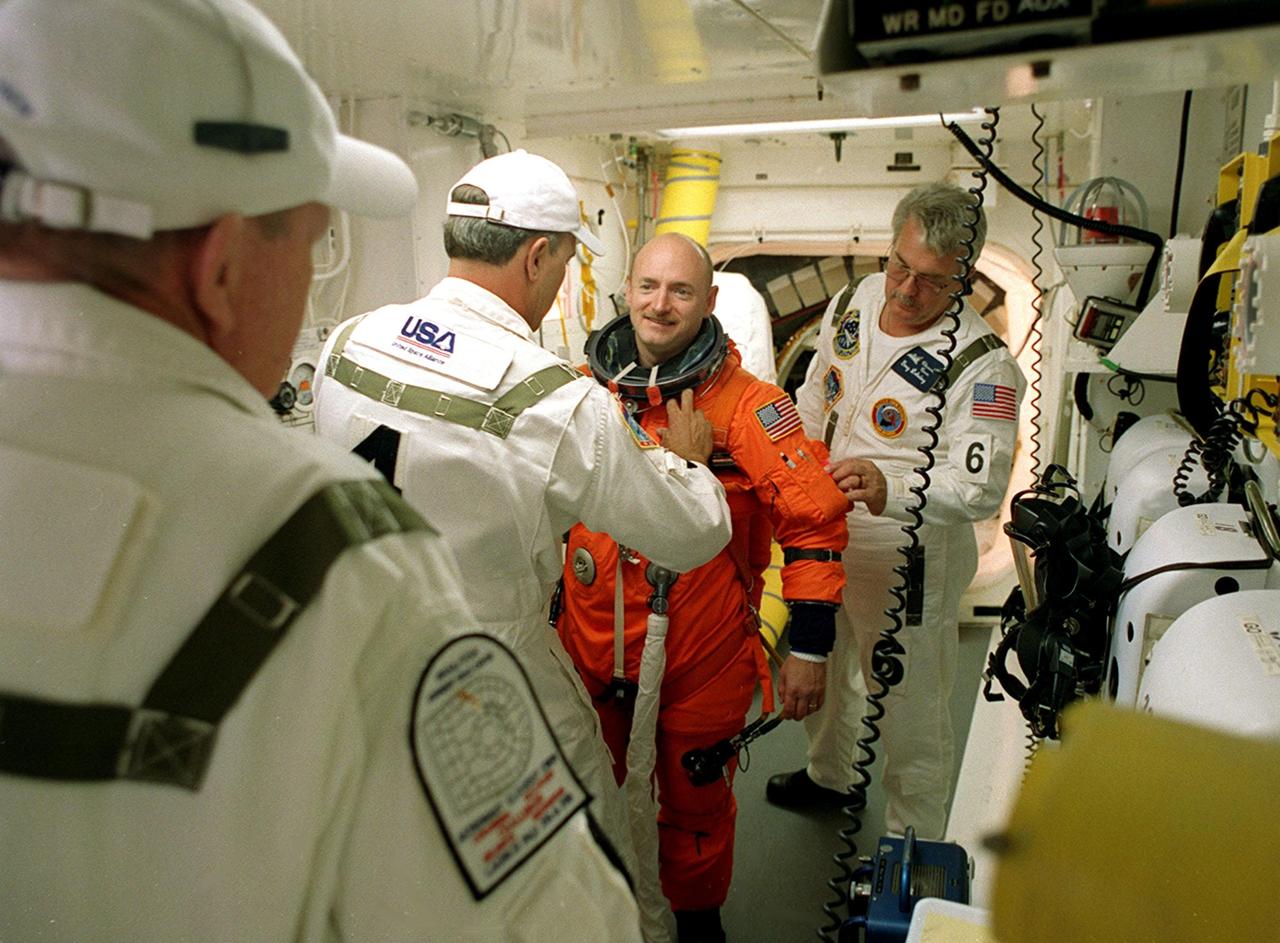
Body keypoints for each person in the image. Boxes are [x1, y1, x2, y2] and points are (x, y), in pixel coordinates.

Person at [0, 1, 645, 940]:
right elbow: (559, 925)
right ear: (220, 266)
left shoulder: (352, 348)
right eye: (306, 241)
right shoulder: (348, 568)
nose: (310, 274)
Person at [310, 151, 733, 910]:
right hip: (488, 667)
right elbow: (692, 531)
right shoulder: (548, 398)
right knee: (582, 865)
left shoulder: (345, 342)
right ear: (539, 256)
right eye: (567, 261)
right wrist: (689, 463)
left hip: (354, 655)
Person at [557, 232, 851, 943]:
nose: (661, 304)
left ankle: (695, 921)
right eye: (649, 286)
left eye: (681, 290)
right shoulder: (578, 391)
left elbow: (812, 522)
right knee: (589, 792)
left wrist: (808, 649)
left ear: (709, 301)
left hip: (700, 653)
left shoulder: (748, 408)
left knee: (693, 808)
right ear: (627, 289)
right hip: (592, 648)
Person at [766, 182, 1026, 842]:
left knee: (910, 708)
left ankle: (913, 842)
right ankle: (829, 775)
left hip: (910, 557)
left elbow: (979, 492)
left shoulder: (984, 366)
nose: (906, 291)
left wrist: (891, 488)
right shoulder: (854, 301)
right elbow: (819, 383)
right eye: (900, 267)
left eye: (932, 281)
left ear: (964, 279)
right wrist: (802, 458)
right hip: (828, 531)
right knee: (822, 651)